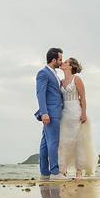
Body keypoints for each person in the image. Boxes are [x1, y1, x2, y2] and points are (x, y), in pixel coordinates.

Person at [58, 57, 98, 179]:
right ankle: (62, 170)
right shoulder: (61, 81)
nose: (62, 63)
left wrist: (84, 113)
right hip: (65, 114)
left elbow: (83, 98)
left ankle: (79, 171)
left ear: (70, 66)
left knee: (79, 142)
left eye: (65, 62)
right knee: (63, 141)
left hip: (76, 112)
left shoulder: (77, 79)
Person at [35, 48, 65, 181]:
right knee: (53, 142)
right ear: (53, 60)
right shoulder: (43, 73)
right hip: (51, 113)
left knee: (45, 144)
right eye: (60, 59)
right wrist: (44, 113)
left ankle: (44, 173)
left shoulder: (55, 74)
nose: (61, 61)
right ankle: (54, 172)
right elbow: (40, 94)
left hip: (54, 111)